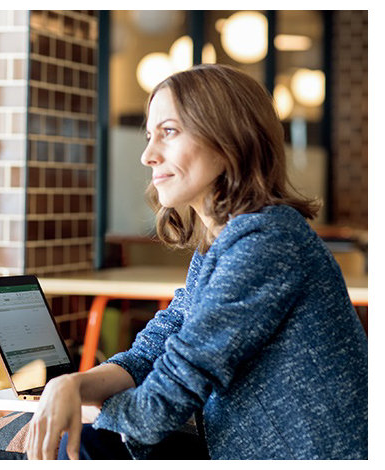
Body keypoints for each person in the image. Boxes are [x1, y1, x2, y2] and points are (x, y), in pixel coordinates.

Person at [24, 64, 368, 460]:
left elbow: (172, 393)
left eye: (168, 132)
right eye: (150, 135)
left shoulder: (268, 241)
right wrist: (73, 385)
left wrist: (88, 411)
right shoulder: (218, 245)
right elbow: (158, 347)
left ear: (230, 139)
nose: (148, 155)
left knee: (40, 445)